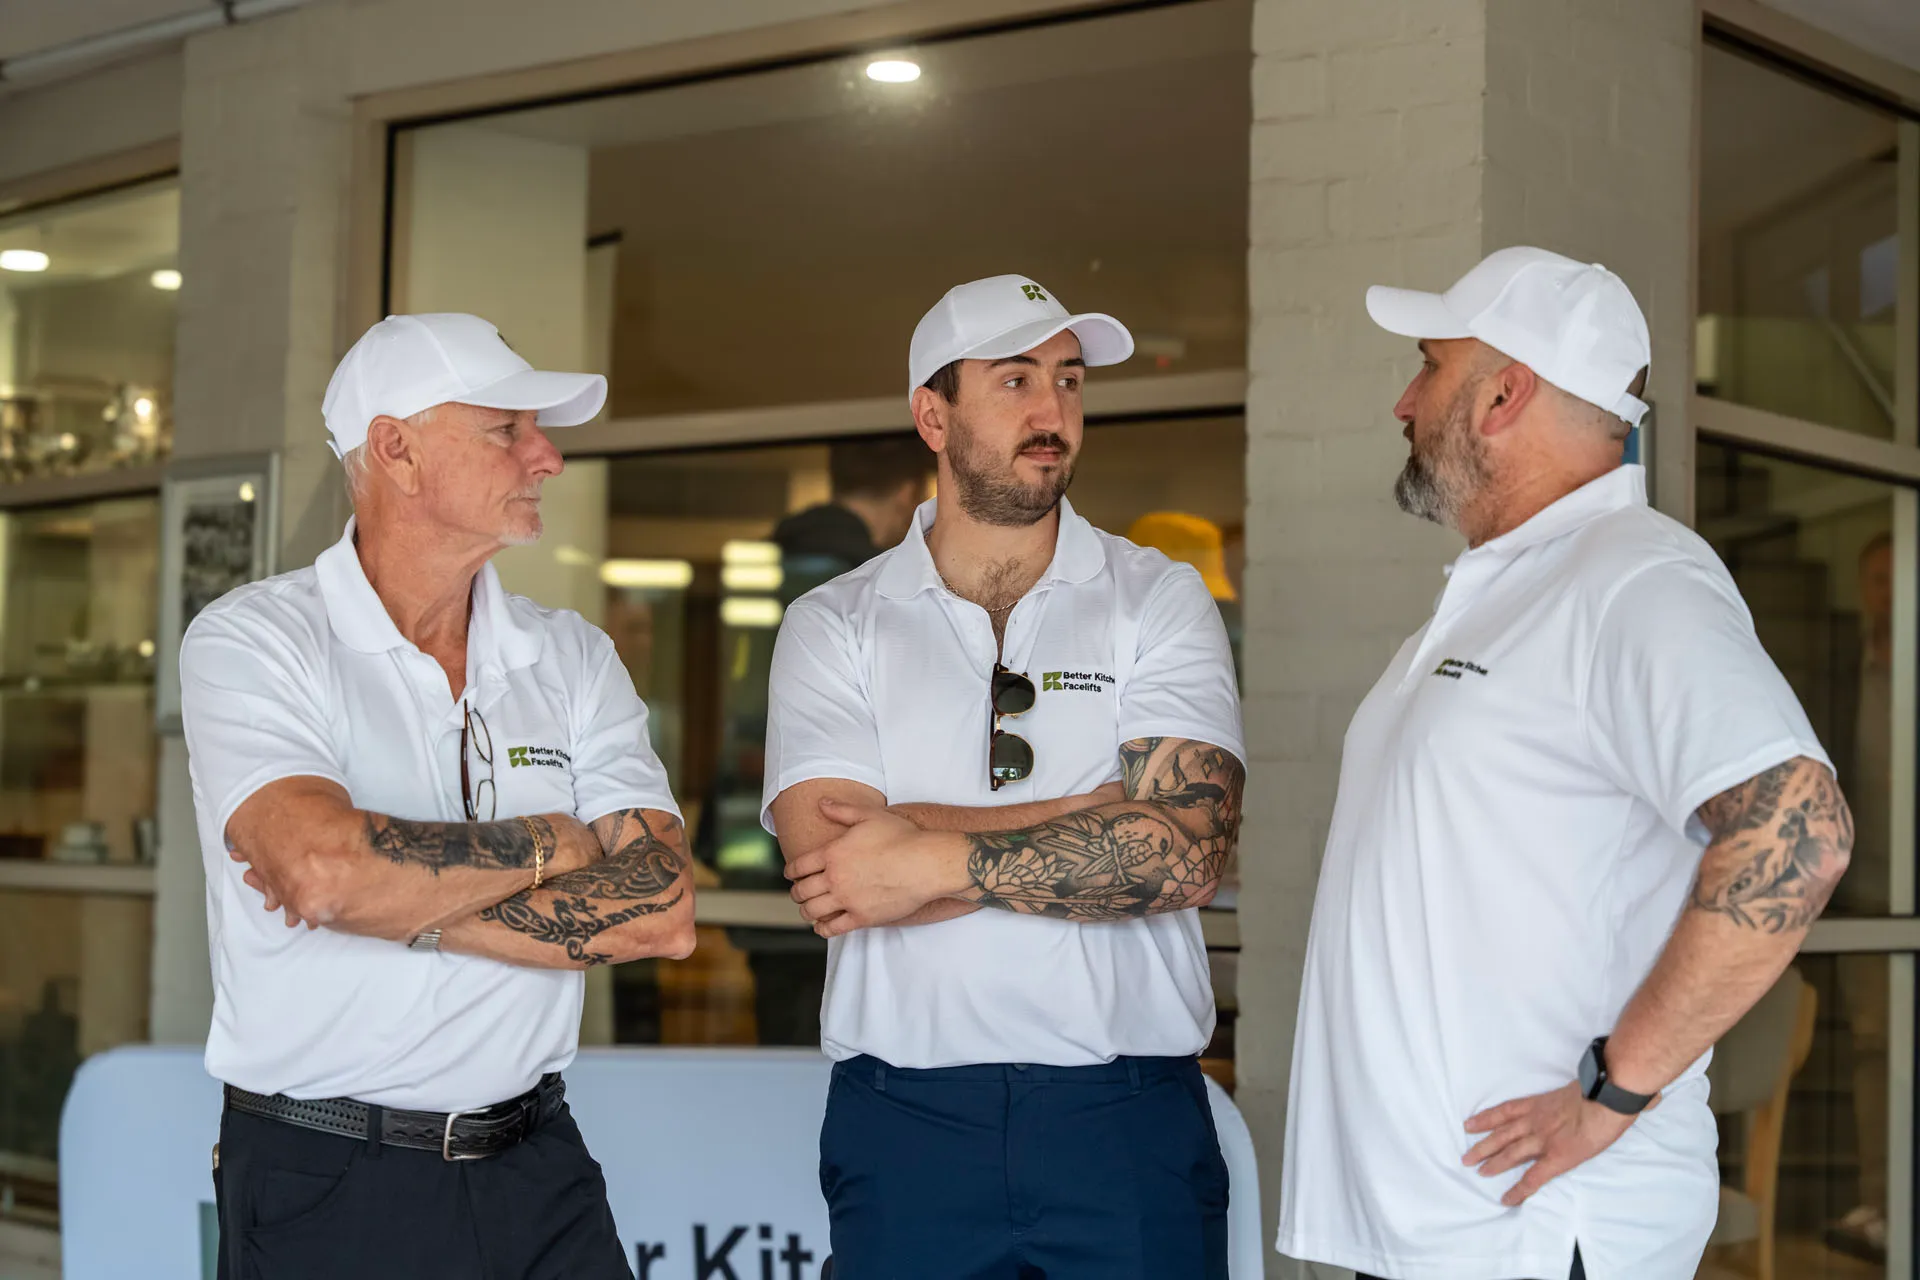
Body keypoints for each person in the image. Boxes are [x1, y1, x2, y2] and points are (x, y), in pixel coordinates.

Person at [1276, 248, 1853, 1280]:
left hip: (1537, 1233)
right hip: (1438, 1229)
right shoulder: (1508, 590)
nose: (1405, 400)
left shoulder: (1635, 575)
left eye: (1429, 366)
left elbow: (1795, 827)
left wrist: (1613, 1090)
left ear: (1503, 393)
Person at [181, 312, 696, 1280]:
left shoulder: (574, 653)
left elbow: (663, 905)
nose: (545, 457)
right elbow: (325, 867)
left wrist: (398, 906)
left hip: (541, 1167)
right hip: (331, 1176)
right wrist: (557, 838)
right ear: (397, 449)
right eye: (507, 428)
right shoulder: (252, 639)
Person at [762, 274, 1245, 1278]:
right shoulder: (834, 622)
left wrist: (921, 848)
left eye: (1068, 381)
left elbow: (1183, 853)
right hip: (908, 1120)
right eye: (1016, 379)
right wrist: (1100, 808)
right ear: (932, 415)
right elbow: (840, 867)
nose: (1052, 411)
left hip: (1124, 1116)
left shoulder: (1158, 596)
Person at [721, 436, 937, 1047]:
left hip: (754, 842)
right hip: (830, 851)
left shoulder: (770, 565)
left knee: (782, 1023)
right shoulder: (864, 590)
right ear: (907, 495)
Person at [1830, 530, 1892, 1262]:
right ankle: (1883, 1202)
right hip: (1865, 901)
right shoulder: (1841, 671)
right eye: (1874, 577)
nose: (1886, 591)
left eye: (1897, 577)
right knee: (1873, 1059)